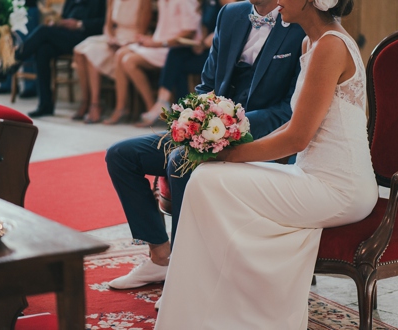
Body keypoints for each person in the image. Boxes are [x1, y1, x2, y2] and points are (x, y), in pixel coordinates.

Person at [155, 0, 371, 327]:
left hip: (340, 187)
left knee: (206, 179)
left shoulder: (332, 46)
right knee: (209, 176)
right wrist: (227, 146)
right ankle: (228, 297)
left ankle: (228, 305)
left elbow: (296, 139)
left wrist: (227, 154)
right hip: (310, 174)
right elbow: (295, 123)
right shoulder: (310, 41)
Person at [104, 0, 305, 290]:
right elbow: (207, 85)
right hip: (211, 127)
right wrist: (191, 119)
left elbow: (289, 110)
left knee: (180, 161)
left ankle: (189, 275)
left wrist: (232, 127)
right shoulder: (232, 13)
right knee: (121, 155)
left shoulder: (301, 23)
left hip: (261, 140)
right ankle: (161, 260)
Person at [0, 0, 105, 117]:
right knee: (42, 50)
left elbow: (104, 23)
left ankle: (8, 67)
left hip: (86, 37)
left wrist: (79, 24)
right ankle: (45, 105)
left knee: (43, 31)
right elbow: (64, 17)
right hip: (67, 36)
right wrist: (58, 23)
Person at [134, 0, 235, 126]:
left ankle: (169, 106)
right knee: (176, 58)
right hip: (205, 50)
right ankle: (181, 113)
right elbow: (204, 24)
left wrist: (216, 35)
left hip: (220, 56)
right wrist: (202, 40)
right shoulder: (204, 3)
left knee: (176, 62)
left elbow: (236, 16)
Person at [103, 0, 201, 124]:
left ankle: (152, 107)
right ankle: (121, 107)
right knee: (120, 54)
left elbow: (189, 33)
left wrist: (157, 43)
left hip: (176, 50)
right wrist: (149, 40)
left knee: (129, 61)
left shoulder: (185, 2)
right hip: (160, 45)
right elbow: (162, 31)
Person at [72, 0, 151, 123]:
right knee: (81, 50)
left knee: (93, 53)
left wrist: (126, 44)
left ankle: (100, 105)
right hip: (115, 38)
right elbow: (108, 26)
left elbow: (142, 31)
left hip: (133, 39)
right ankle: (88, 102)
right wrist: (111, 39)